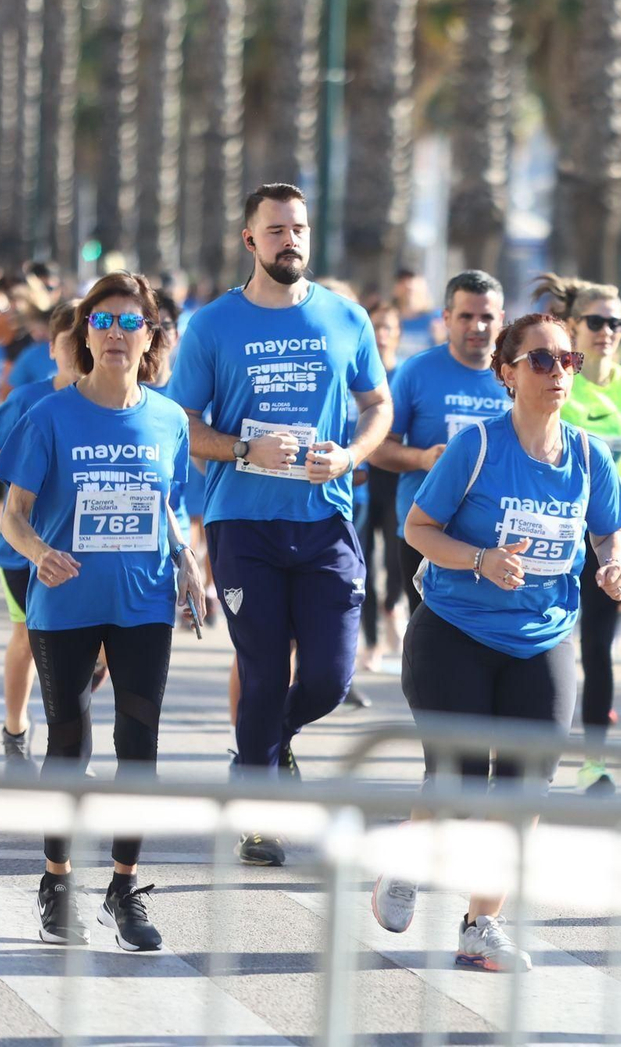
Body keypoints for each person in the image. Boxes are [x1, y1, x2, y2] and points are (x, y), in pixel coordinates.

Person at [377, 312, 621, 971]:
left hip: (543, 636)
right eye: (540, 360)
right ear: (507, 373)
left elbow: (610, 528)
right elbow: (418, 528)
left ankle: (481, 924)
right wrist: (480, 559)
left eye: (567, 360)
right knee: (459, 781)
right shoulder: (478, 446)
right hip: (455, 631)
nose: (557, 371)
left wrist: (613, 563)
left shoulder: (587, 455)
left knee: (526, 787)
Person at [164, 183, 392, 867]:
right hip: (244, 522)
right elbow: (180, 422)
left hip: (325, 519)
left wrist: (350, 455)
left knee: (329, 676)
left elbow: (378, 404)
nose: (290, 240)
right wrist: (244, 449)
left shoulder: (345, 317)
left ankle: (260, 751)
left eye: (299, 229)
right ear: (249, 241)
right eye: (276, 230)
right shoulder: (213, 325)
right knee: (262, 672)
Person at [0, 271, 204, 952]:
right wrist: (39, 552)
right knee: (69, 742)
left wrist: (187, 557)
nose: (117, 332)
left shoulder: (169, 420)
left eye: (131, 321)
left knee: (139, 745)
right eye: (104, 320)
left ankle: (124, 886)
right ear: (86, 334)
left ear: (150, 337)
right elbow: (13, 514)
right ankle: (57, 881)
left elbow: (170, 505)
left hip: (142, 600)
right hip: (66, 603)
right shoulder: (49, 416)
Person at [534, 272, 621, 793]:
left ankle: (593, 763)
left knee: (600, 649)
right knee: (548, 645)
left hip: (609, 535)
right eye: (597, 321)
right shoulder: (562, 382)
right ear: (573, 327)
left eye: (616, 322)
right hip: (557, 534)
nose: (608, 331)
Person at [368, 270, 512, 618]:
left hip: (497, 538)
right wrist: (423, 458)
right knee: (429, 637)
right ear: (446, 318)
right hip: (428, 533)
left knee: (490, 637)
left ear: (501, 319)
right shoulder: (417, 371)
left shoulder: (516, 376)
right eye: (466, 316)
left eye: (486, 317)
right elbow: (377, 448)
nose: (477, 326)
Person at [0, 301, 84, 762]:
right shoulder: (27, 399)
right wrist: (35, 470)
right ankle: (15, 729)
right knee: (27, 638)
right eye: (67, 341)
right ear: (52, 348)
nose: (77, 349)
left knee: (92, 648)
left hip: (82, 547)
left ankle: (71, 745)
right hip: (21, 549)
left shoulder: (106, 402)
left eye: (83, 339)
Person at [358, 300, 405, 670]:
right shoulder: (357, 375)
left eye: (388, 327)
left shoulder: (404, 375)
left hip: (394, 481)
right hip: (359, 483)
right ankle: (372, 642)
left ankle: (392, 606)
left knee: (395, 560)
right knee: (364, 567)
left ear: (398, 333)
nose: (382, 334)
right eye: (376, 327)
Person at [393, 268, 443, 363]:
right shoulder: (389, 319)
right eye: (402, 281)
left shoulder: (437, 318)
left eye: (412, 279)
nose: (408, 285)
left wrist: (441, 340)